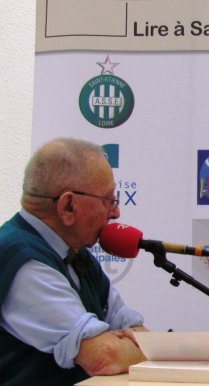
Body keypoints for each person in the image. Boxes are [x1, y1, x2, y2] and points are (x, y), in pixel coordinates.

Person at [0, 138, 147, 385]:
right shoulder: (23, 261)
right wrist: (123, 346)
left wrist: (127, 346)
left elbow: (139, 332)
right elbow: (105, 357)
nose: (116, 213)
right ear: (68, 206)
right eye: (108, 200)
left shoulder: (75, 253)